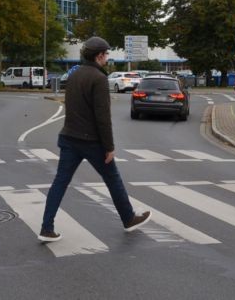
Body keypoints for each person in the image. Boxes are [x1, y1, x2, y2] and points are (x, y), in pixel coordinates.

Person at [39, 36, 151, 242]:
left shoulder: (74, 75)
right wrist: (109, 147)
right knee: (112, 178)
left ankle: (46, 227)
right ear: (99, 56)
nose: (107, 57)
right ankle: (128, 218)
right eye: (106, 54)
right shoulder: (99, 79)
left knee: (60, 183)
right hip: (91, 141)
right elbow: (103, 117)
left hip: (69, 137)